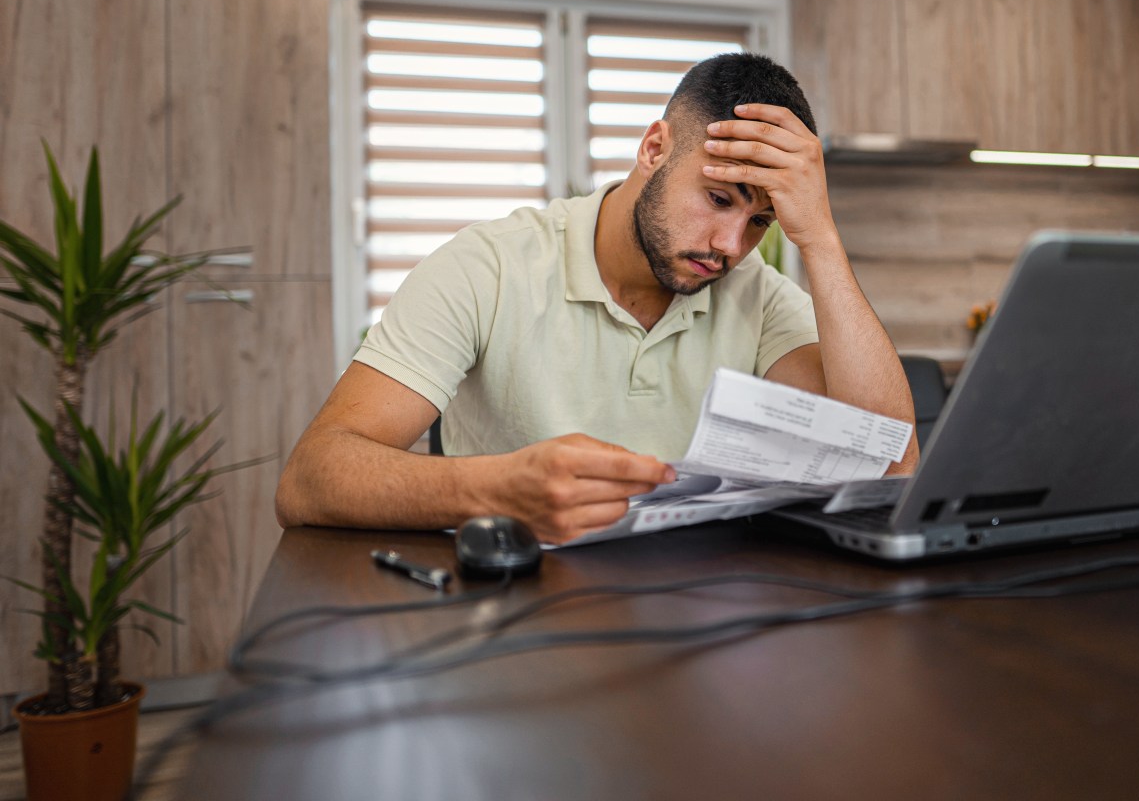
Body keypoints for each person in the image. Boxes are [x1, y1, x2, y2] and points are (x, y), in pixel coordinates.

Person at [276, 53, 918, 543]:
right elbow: (311, 478)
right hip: (519, 614)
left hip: (693, 617)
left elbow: (890, 470)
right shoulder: (490, 266)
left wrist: (822, 239)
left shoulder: (759, 296)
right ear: (654, 148)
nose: (728, 244)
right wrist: (501, 487)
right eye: (720, 199)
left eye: (761, 223)